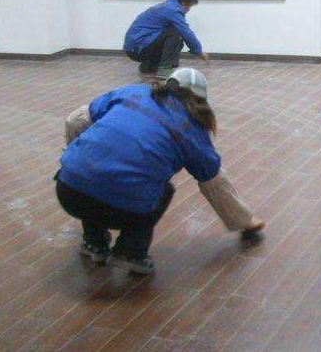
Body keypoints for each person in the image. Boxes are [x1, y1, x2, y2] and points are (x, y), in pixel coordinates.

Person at [55, 68, 264, 275]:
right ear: (200, 100)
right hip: (121, 208)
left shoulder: (133, 92)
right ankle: (130, 252)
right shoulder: (193, 129)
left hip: (67, 191)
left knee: (94, 176)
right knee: (162, 191)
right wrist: (245, 221)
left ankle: (94, 243)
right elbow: (215, 183)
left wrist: (76, 159)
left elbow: (76, 119)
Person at [123, 0, 209, 78]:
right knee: (175, 33)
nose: (188, 10)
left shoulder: (165, 6)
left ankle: (149, 65)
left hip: (134, 48)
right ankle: (165, 69)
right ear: (183, 3)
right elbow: (186, 32)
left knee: (174, 38)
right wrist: (198, 51)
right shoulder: (172, 10)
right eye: (189, 7)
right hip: (139, 48)